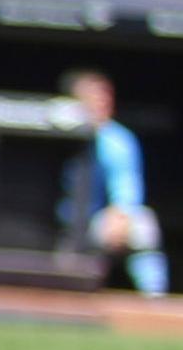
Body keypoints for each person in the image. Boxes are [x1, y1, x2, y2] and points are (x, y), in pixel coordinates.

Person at [61, 69, 165, 299]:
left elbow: (127, 183)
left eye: (106, 96)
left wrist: (120, 214)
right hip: (59, 220)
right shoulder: (59, 132)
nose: (103, 102)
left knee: (142, 225)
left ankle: (155, 300)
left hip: (99, 219)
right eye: (94, 96)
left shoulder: (117, 138)